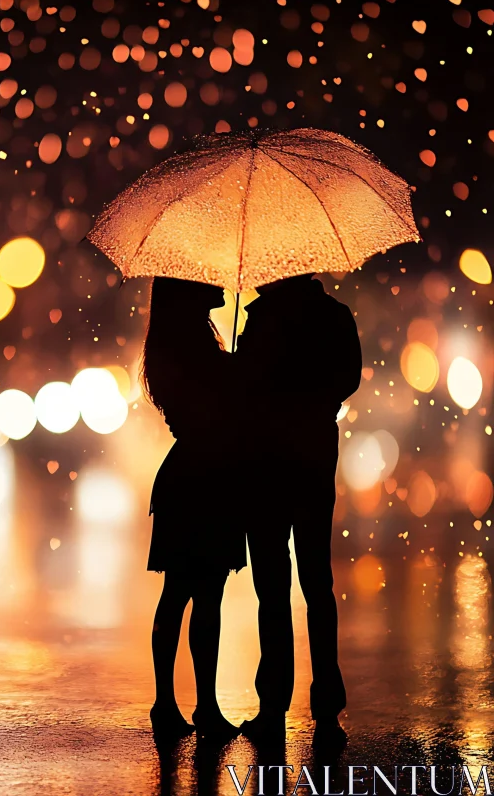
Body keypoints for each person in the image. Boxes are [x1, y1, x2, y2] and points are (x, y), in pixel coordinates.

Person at [235, 273, 362, 750]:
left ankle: (274, 706)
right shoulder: (333, 315)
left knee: (272, 587)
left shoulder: (263, 320)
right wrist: (316, 403)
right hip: (313, 456)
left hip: (265, 463)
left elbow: (246, 388)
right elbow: (347, 378)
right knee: (317, 583)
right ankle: (327, 704)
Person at [141, 276, 246, 740]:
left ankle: (184, 703)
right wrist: (232, 373)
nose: (221, 281)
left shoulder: (185, 342)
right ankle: (183, 704)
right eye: (209, 278)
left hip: (199, 477)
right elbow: (207, 409)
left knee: (193, 594)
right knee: (195, 593)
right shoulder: (189, 347)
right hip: (203, 479)